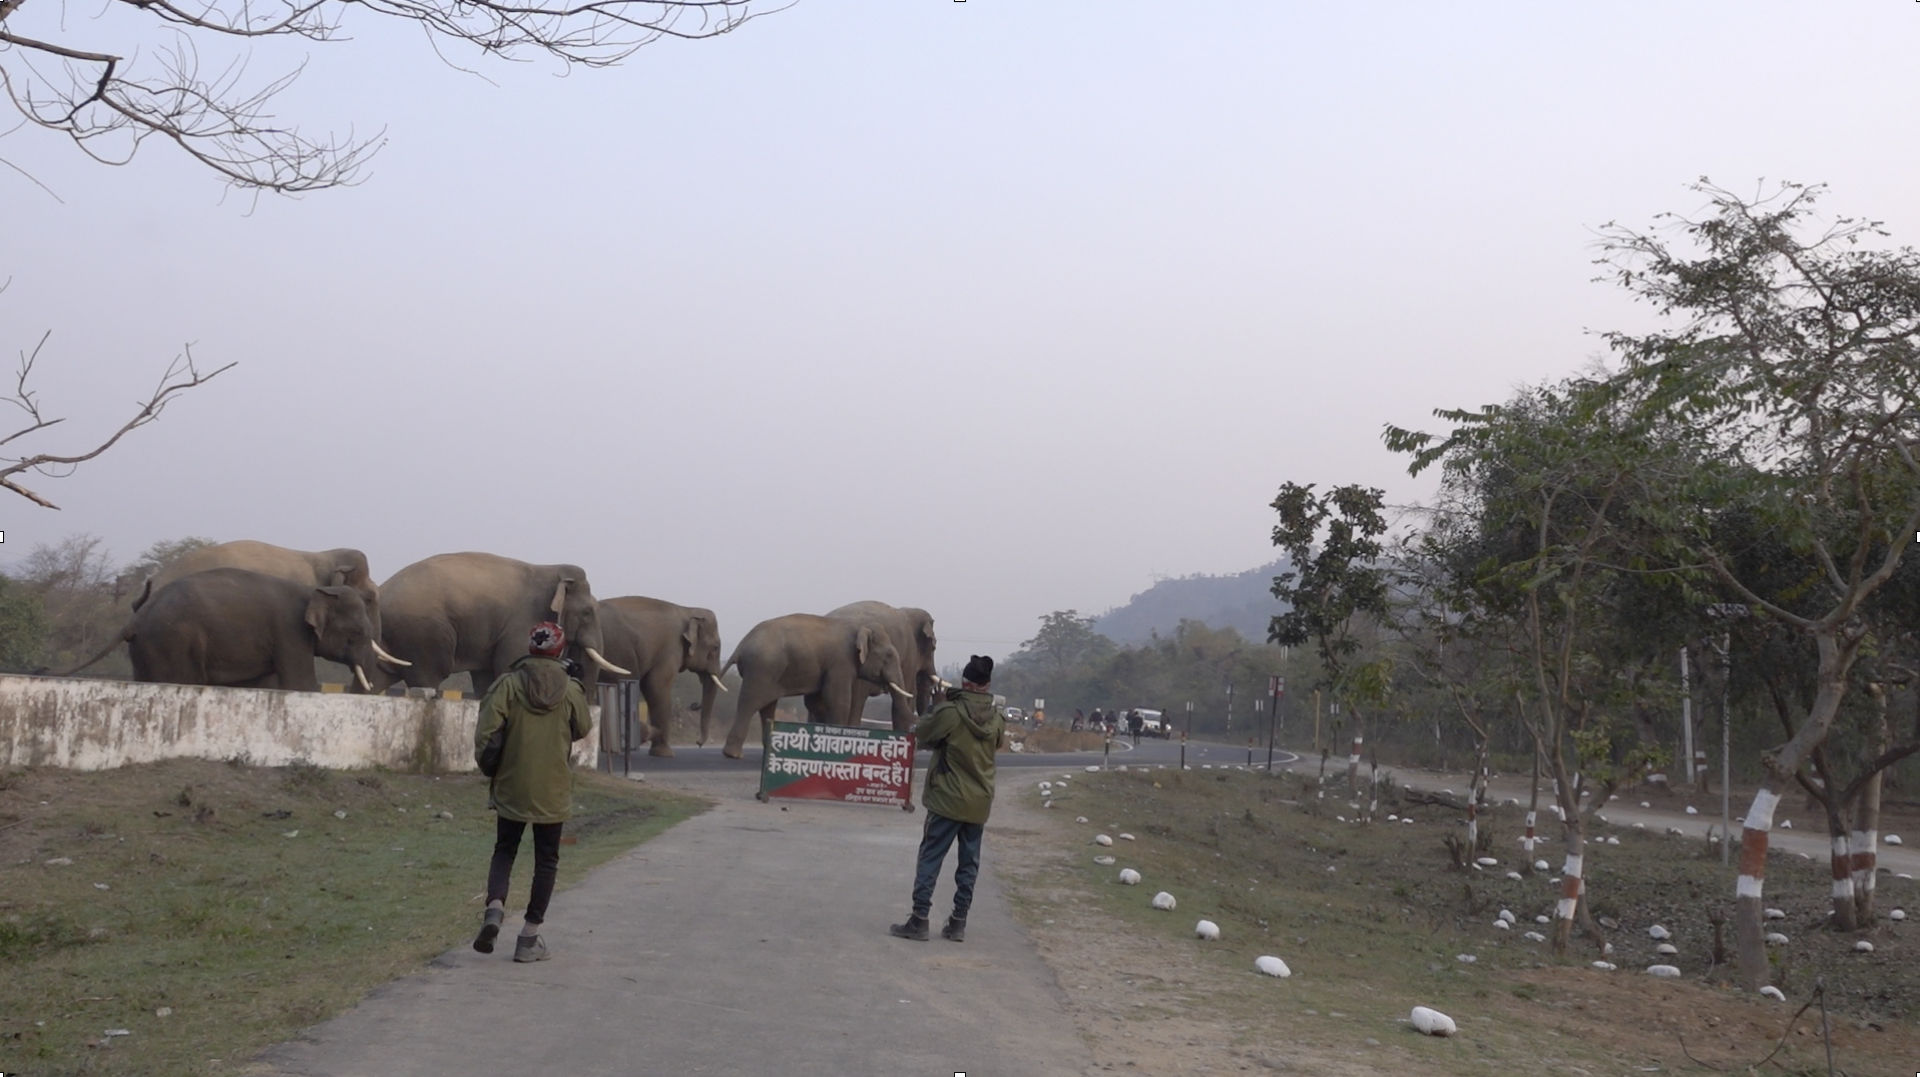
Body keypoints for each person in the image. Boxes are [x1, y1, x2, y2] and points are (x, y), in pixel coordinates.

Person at [471, 621, 592, 962]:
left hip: (512, 785)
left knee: (505, 851)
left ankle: (494, 909)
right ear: (561, 651)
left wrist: (492, 769)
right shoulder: (571, 690)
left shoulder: (507, 685)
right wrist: (577, 685)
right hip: (552, 790)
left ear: (530, 648)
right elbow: (582, 728)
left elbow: (486, 735)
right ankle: (528, 938)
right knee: (546, 862)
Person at [890, 654, 1007, 943]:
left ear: (965, 682)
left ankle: (919, 919)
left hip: (946, 798)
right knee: (969, 863)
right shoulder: (997, 719)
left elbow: (924, 735)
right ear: (987, 684)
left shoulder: (951, 712)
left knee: (931, 856)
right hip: (979, 802)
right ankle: (958, 923)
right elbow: (997, 744)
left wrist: (937, 705)